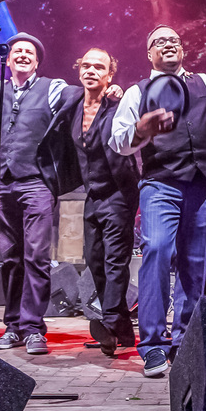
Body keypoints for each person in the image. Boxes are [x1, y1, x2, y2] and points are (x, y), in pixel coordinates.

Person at [111, 25, 206, 378]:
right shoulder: (137, 91)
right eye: (159, 41)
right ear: (149, 54)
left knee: (195, 263)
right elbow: (118, 141)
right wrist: (141, 130)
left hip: (203, 184)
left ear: (182, 50)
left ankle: (185, 340)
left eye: (174, 40)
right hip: (160, 185)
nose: (169, 44)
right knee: (157, 251)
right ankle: (153, 344)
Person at [0, 32, 82, 355]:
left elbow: (79, 94)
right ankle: (13, 326)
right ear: (8, 59)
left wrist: (108, 90)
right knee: (11, 258)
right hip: (3, 183)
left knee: (36, 256)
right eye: (18, 50)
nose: (23, 55)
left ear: (37, 61)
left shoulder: (50, 88)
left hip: (36, 183)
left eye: (30, 51)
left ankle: (32, 328)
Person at [69, 48, 140, 357]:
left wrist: (118, 94)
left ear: (110, 75)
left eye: (99, 67)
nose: (91, 71)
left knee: (115, 260)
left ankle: (110, 323)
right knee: (93, 258)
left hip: (119, 192)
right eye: (86, 65)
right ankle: (123, 329)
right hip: (92, 194)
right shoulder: (72, 104)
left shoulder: (118, 105)